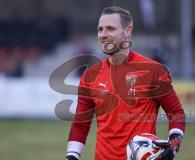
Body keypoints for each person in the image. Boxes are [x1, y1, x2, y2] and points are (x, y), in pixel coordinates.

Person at [66, 6, 186, 160]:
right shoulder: (90, 76)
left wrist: (173, 144)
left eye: (110, 29)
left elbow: (176, 113)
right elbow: (80, 125)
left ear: (128, 31)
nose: (103, 35)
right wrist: (71, 156)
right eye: (100, 29)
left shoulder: (154, 71)